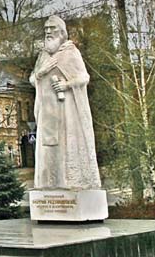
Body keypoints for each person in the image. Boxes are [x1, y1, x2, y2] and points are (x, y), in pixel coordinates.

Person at [29, 15, 101, 190]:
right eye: (46, 29)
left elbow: (84, 77)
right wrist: (41, 72)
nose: (48, 32)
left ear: (61, 32)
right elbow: (32, 79)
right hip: (47, 112)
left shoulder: (71, 52)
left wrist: (66, 85)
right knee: (48, 148)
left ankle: (69, 183)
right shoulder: (43, 56)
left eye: (52, 28)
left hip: (67, 111)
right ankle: (49, 184)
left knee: (66, 145)